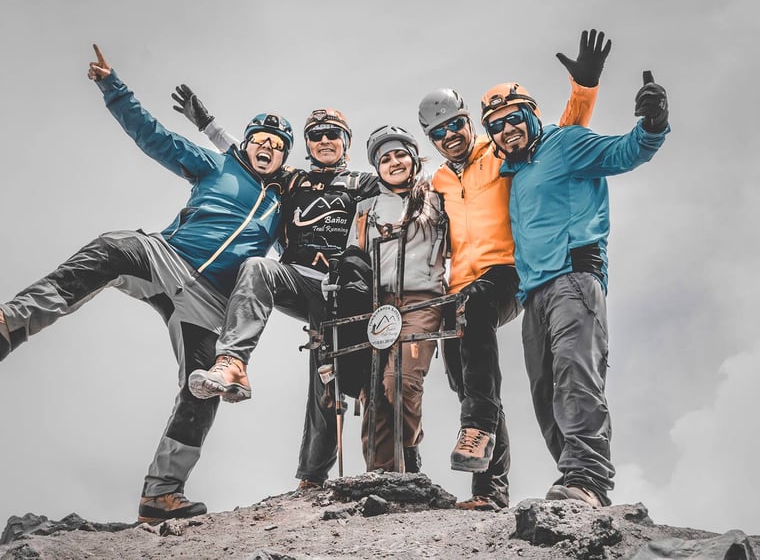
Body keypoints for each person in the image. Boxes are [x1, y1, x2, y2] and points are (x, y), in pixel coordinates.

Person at [0, 45, 292, 524]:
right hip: (166, 258)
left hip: (210, 301)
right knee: (114, 247)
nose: (270, 149)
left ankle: (162, 494)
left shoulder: (281, 208)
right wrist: (112, 87)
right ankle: (12, 322)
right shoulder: (218, 166)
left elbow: (295, 252)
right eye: (263, 139)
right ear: (248, 143)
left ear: (283, 160)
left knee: (203, 390)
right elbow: (154, 136)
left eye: (279, 147)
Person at [416, 29, 610, 510]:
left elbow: (558, 137)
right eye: (438, 134)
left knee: (479, 314)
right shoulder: (437, 179)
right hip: (459, 290)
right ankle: (489, 489)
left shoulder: (498, 155)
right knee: (465, 375)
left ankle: (480, 426)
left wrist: (583, 90)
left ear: (468, 123)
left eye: (456, 126)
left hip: (506, 275)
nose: (449, 137)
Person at [171, 91, 379, 488]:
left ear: (346, 141)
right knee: (258, 267)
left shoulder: (363, 183)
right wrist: (207, 124)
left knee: (331, 381)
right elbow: (248, 156)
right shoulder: (292, 180)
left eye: (332, 134)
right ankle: (232, 361)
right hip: (299, 280)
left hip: (347, 291)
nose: (323, 141)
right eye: (315, 135)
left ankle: (349, 471)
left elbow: (403, 180)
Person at [483, 70, 670, 508]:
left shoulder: (564, 144)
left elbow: (626, 152)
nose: (507, 129)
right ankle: (575, 480)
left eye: (514, 119)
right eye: (496, 125)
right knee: (544, 390)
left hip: (573, 278)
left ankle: (588, 479)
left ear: (532, 115)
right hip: (535, 295)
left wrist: (653, 123)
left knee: (575, 375)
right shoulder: (515, 172)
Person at [344, 125, 448, 473]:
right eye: (384, 158)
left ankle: (409, 446)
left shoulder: (437, 194)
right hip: (375, 303)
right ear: (377, 168)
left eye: (400, 154)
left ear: (414, 157)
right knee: (371, 387)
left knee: (400, 378)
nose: (394, 162)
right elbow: (353, 257)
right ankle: (381, 475)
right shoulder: (366, 208)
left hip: (423, 299)